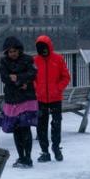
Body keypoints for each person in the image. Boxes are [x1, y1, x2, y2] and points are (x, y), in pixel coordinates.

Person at [0, 36, 38, 168]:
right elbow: (4, 78)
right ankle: (21, 156)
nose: (13, 54)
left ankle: (28, 158)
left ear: (19, 50)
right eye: (10, 52)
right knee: (16, 129)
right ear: (6, 52)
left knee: (25, 128)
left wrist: (18, 78)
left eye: (14, 51)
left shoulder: (28, 59)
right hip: (12, 99)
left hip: (25, 99)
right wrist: (21, 81)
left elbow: (33, 73)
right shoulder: (4, 62)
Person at [33, 34, 72, 162]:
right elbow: (32, 78)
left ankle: (55, 147)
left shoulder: (58, 59)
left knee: (56, 124)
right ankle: (45, 151)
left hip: (55, 98)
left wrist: (57, 88)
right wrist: (37, 89)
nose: (43, 51)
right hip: (41, 99)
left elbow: (66, 77)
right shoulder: (35, 61)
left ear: (49, 47)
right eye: (40, 48)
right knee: (41, 126)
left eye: (44, 48)